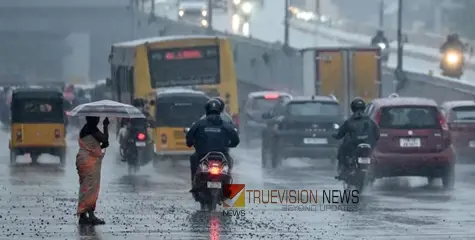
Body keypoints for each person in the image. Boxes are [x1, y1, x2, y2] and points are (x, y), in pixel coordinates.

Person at [186, 99, 240, 196]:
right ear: (220, 110)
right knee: (229, 163)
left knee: (193, 159)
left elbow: (189, 138)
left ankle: (194, 185)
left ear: (206, 110)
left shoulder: (199, 123)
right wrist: (229, 145)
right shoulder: (226, 125)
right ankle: (227, 188)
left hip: (202, 154)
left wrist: (191, 143)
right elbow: (236, 141)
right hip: (222, 154)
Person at [333, 98, 380, 179]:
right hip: (368, 145)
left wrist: (335, 136)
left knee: (342, 149)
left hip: (354, 146)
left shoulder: (350, 121)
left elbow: (340, 134)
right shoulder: (370, 121)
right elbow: (377, 134)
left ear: (352, 108)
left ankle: (343, 172)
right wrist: (373, 141)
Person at [76, 116, 110, 225]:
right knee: (90, 187)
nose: (98, 119)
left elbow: (100, 142)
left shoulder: (87, 128)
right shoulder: (91, 127)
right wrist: (105, 126)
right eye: (97, 118)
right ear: (92, 119)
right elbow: (104, 139)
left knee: (86, 187)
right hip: (88, 161)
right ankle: (89, 215)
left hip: (85, 160)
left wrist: (102, 145)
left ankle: (84, 215)